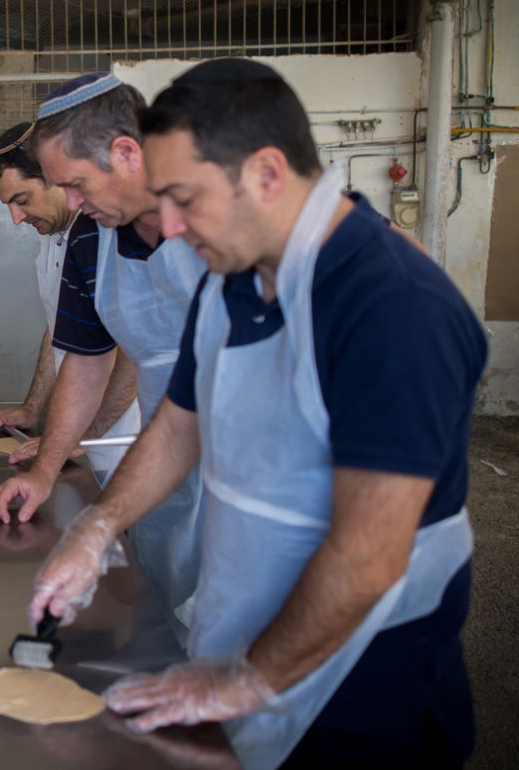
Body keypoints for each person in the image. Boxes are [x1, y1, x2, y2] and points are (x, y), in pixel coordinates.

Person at [30, 59, 484, 769]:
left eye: (186, 198)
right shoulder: (233, 281)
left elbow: (369, 555)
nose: (169, 225)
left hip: (360, 682)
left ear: (268, 173)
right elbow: (181, 423)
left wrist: (246, 679)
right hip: (245, 648)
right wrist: (96, 526)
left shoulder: (392, 307)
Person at [0, 74, 207, 642]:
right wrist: (43, 472)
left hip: (269, 466)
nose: (73, 204)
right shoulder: (89, 239)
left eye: (76, 185)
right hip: (164, 453)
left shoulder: (226, 216)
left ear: (127, 152)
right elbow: (84, 358)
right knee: (168, 618)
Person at [0, 122, 141, 463]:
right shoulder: (52, 236)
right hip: (78, 433)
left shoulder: (109, 234)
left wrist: (82, 439)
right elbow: (60, 328)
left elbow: (132, 355)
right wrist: (33, 409)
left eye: (22, 200)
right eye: (8, 205)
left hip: (123, 436)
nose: (16, 218)